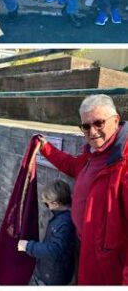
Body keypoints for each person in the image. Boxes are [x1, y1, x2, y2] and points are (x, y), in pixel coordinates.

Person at [36, 94, 128, 285]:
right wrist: (45, 148)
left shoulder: (122, 161)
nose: (92, 131)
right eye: (86, 126)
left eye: (99, 123)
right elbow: (71, 165)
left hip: (105, 261)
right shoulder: (93, 153)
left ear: (116, 120)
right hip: (82, 243)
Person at [16, 179, 76, 286]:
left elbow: (54, 250)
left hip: (56, 275)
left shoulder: (64, 224)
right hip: (54, 270)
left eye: (46, 204)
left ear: (56, 204)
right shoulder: (62, 217)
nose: (46, 207)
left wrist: (28, 246)